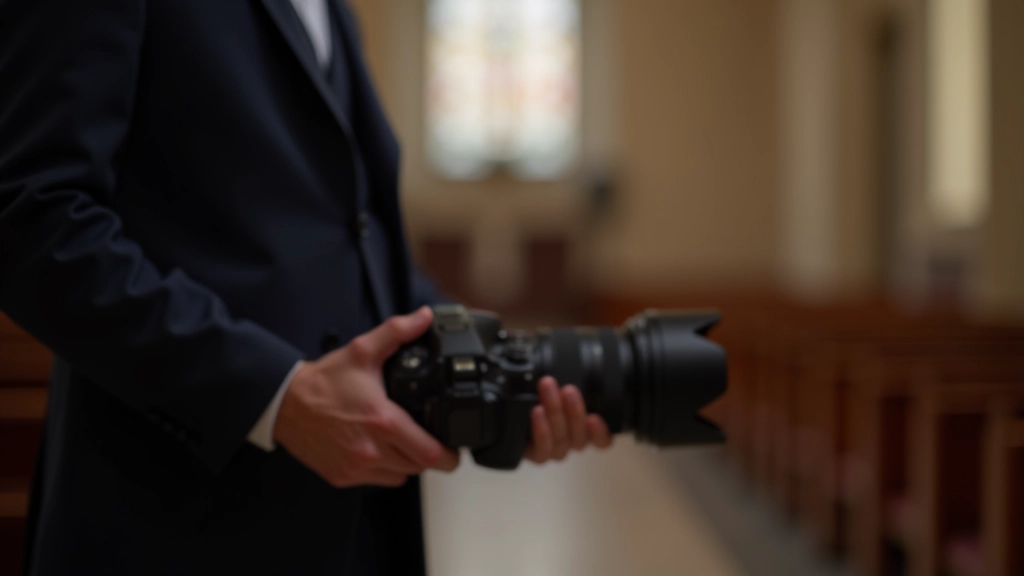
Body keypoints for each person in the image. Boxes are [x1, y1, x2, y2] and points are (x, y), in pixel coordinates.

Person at [0, 1, 612, 574]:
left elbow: (349, 242)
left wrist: (493, 373)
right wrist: (275, 393)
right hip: (173, 527)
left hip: (354, 526)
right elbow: (32, 216)